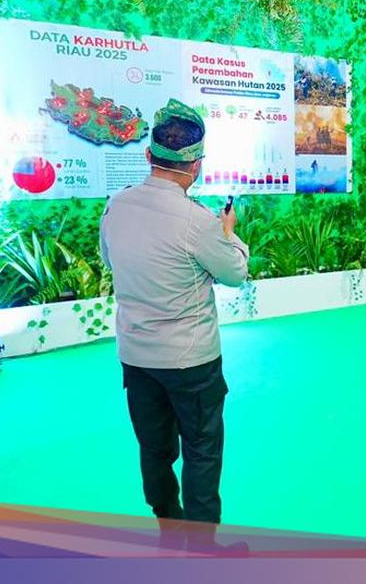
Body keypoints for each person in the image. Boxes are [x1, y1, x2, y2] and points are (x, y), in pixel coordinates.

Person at [100, 99, 249, 538]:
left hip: (137, 358)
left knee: (154, 447)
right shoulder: (197, 221)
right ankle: (202, 550)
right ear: (197, 165)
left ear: (148, 155)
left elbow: (110, 261)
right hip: (192, 362)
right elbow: (236, 274)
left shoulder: (116, 206)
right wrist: (229, 234)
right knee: (202, 452)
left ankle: (168, 527)